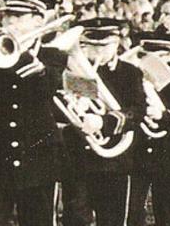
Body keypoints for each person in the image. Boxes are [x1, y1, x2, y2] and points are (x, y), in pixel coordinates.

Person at [0, 0, 66, 226]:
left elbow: (48, 89)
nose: (10, 23)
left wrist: (22, 52)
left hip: (38, 159)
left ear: (39, 20)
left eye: (18, 16)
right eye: (7, 17)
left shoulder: (54, 55)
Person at [60, 18, 145, 226]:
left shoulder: (130, 72)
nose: (97, 51)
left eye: (104, 45)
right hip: (78, 158)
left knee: (114, 219)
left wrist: (102, 122)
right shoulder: (72, 71)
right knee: (75, 217)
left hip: (116, 162)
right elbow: (61, 109)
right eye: (90, 45)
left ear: (117, 43)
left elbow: (138, 111)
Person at [127, 27, 170, 226]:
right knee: (133, 211)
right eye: (147, 59)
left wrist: (163, 116)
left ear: (169, 56)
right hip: (138, 153)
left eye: (158, 58)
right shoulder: (134, 80)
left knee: (169, 212)